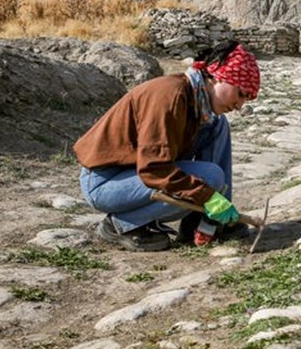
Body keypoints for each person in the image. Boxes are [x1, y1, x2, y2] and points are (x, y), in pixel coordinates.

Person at [74, 41, 260, 251]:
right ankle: (120, 225)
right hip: (106, 182)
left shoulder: (195, 99)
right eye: (240, 94)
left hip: (135, 172)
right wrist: (207, 196)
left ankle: (207, 222)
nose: (239, 105)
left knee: (217, 124)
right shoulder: (170, 97)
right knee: (210, 178)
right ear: (217, 76)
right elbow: (155, 169)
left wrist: (215, 203)